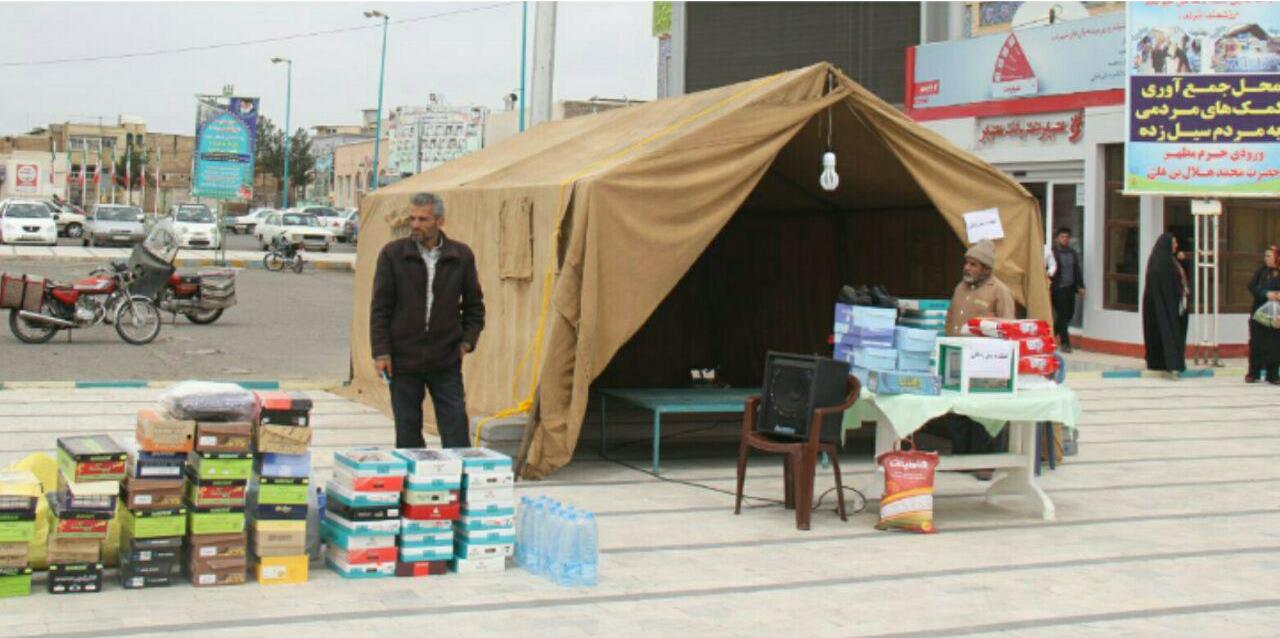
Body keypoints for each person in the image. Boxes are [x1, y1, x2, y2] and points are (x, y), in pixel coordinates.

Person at [370, 192, 485, 448]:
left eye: (423, 219)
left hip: (445, 359)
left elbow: (475, 307)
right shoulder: (392, 255)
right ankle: (416, 485)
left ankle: (457, 481)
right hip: (403, 359)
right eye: (412, 218)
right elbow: (380, 309)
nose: (415, 225)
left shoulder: (461, 256)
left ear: (440, 221)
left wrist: (466, 343)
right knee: (407, 428)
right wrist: (381, 353)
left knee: (455, 425)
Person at [940, 239, 1016, 479]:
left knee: (983, 415)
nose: (968, 268)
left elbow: (1009, 328)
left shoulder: (999, 291)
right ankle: (963, 458)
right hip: (958, 360)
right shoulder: (960, 288)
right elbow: (950, 318)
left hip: (986, 363)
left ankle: (984, 463)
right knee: (957, 412)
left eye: (974, 264)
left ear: (986, 269)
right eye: (967, 263)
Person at [1142, 233, 1188, 379]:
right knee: (1168, 333)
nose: (1176, 246)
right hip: (1164, 307)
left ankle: (1163, 362)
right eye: (1173, 243)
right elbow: (1168, 286)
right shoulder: (1162, 262)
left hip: (1167, 306)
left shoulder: (1167, 260)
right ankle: (1171, 364)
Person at [1246, 245, 1280, 384]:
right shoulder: (1261, 271)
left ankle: (1272, 375)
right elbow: (1252, 286)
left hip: (1276, 315)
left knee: (1274, 344)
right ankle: (1254, 373)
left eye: (1269, 256)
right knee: (1257, 343)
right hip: (1259, 314)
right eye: (1265, 256)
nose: (1266, 259)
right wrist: (1265, 293)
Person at [1049, 227, 1085, 352]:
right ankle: (1065, 344)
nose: (1065, 239)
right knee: (1063, 315)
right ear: (1057, 238)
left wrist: (1081, 286)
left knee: (1069, 314)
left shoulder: (1072, 253)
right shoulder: (1052, 253)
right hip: (1058, 289)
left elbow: (1077, 271)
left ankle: (1053, 332)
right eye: (1062, 237)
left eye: (1067, 237)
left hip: (1070, 288)